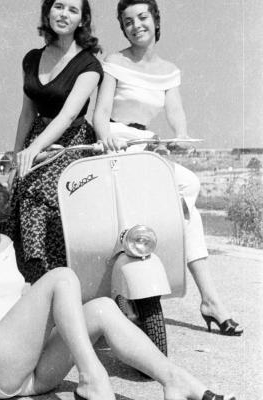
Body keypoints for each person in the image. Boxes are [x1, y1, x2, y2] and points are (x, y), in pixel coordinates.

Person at [0, 175, 236, 400]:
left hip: (32, 373)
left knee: (103, 308)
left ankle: (175, 381)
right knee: (62, 277)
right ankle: (93, 378)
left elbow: (22, 299)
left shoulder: (5, 246)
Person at [92, 0, 243, 336]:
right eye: (128, 21)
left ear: (155, 20)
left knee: (187, 187)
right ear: (123, 28)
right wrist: (105, 138)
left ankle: (207, 297)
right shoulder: (114, 62)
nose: (136, 25)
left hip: (145, 143)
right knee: (165, 199)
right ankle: (204, 299)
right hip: (115, 141)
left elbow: (176, 114)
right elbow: (100, 113)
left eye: (142, 17)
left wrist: (180, 137)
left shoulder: (169, 71)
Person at [1, 0, 103, 283]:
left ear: (82, 20)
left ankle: (55, 277)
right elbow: (27, 112)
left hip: (72, 143)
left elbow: (68, 116)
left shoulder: (89, 64)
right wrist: (17, 156)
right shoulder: (31, 59)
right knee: (16, 198)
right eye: (59, 6)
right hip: (36, 135)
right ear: (48, 12)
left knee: (44, 198)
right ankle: (30, 280)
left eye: (73, 10)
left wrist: (35, 149)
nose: (64, 14)